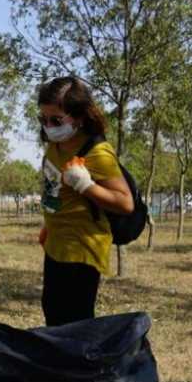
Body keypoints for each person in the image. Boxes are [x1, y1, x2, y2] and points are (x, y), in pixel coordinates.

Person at [37, 76, 133, 327]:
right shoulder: (55, 147)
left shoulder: (97, 152)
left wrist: (86, 185)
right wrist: (49, 225)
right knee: (53, 314)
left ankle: (79, 367)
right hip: (57, 244)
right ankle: (60, 366)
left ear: (78, 117)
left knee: (75, 324)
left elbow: (125, 203)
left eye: (56, 120)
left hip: (82, 249)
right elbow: (57, 190)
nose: (48, 126)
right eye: (44, 119)